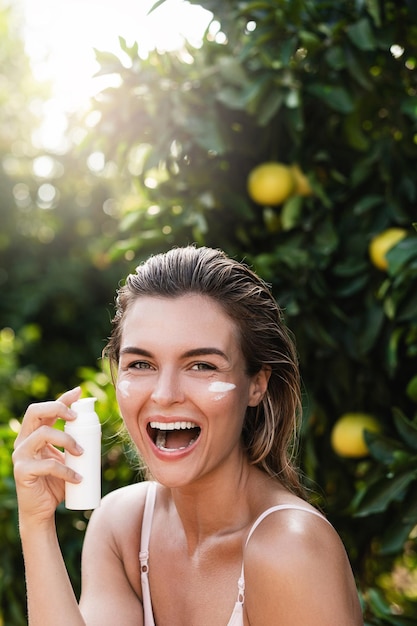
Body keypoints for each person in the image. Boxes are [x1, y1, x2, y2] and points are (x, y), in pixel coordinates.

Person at [13, 245, 363, 625]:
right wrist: (36, 523)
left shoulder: (291, 549)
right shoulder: (122, 527)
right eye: (141, 364)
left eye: (201, 365)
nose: (164, 395)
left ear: (257, 384)